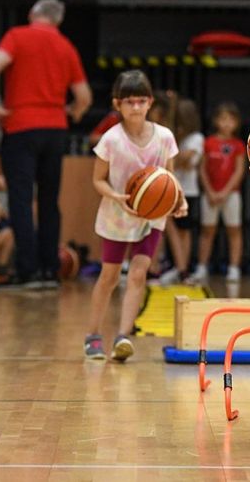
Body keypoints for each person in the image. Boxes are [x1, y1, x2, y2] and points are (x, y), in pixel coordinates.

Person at [0, 0, 93, 290]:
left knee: (20, 199)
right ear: (57, 20)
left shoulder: (18, 36)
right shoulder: (66, 47)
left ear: (33, 13)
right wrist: (71, 112)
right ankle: (49, 271)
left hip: (20, 127)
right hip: (55, 129)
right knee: (49, 201)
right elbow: (84, 97)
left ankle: (27, 271)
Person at [83, 70, 187, 361]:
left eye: (141, 101)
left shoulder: (164, 137)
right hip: (117, 215)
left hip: (150, 217)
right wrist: (115, 196)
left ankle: (122, 337)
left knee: (139, 272)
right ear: (117, 104)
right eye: (129, 102)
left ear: (151, 102)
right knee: (109, 276)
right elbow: (98, 179)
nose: (136, 107)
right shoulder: (111, 140)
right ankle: (93, 335)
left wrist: (178, 201)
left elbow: (169, 178)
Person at [189, 102, 246, 284]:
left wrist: (225, 192)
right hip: (210, 195)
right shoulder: (208, 143)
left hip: (232, 195)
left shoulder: (238, 145)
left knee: (234, 231)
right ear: (216, 121)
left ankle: (234, 268)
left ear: (236, 123)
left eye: (231, 119)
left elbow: (239, 171)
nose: (227, 123)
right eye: (223, 119)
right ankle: (202, 267)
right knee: (207, 231)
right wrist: (211, 191)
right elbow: (202, 169)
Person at [158, 98, 203, 285]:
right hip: (172, 188)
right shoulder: (176, 137)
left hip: (188, 191)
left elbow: (182, 160)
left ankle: (182, 269)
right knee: (170, 227)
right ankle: (180, 267)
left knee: (183, 231)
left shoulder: (196, 138)